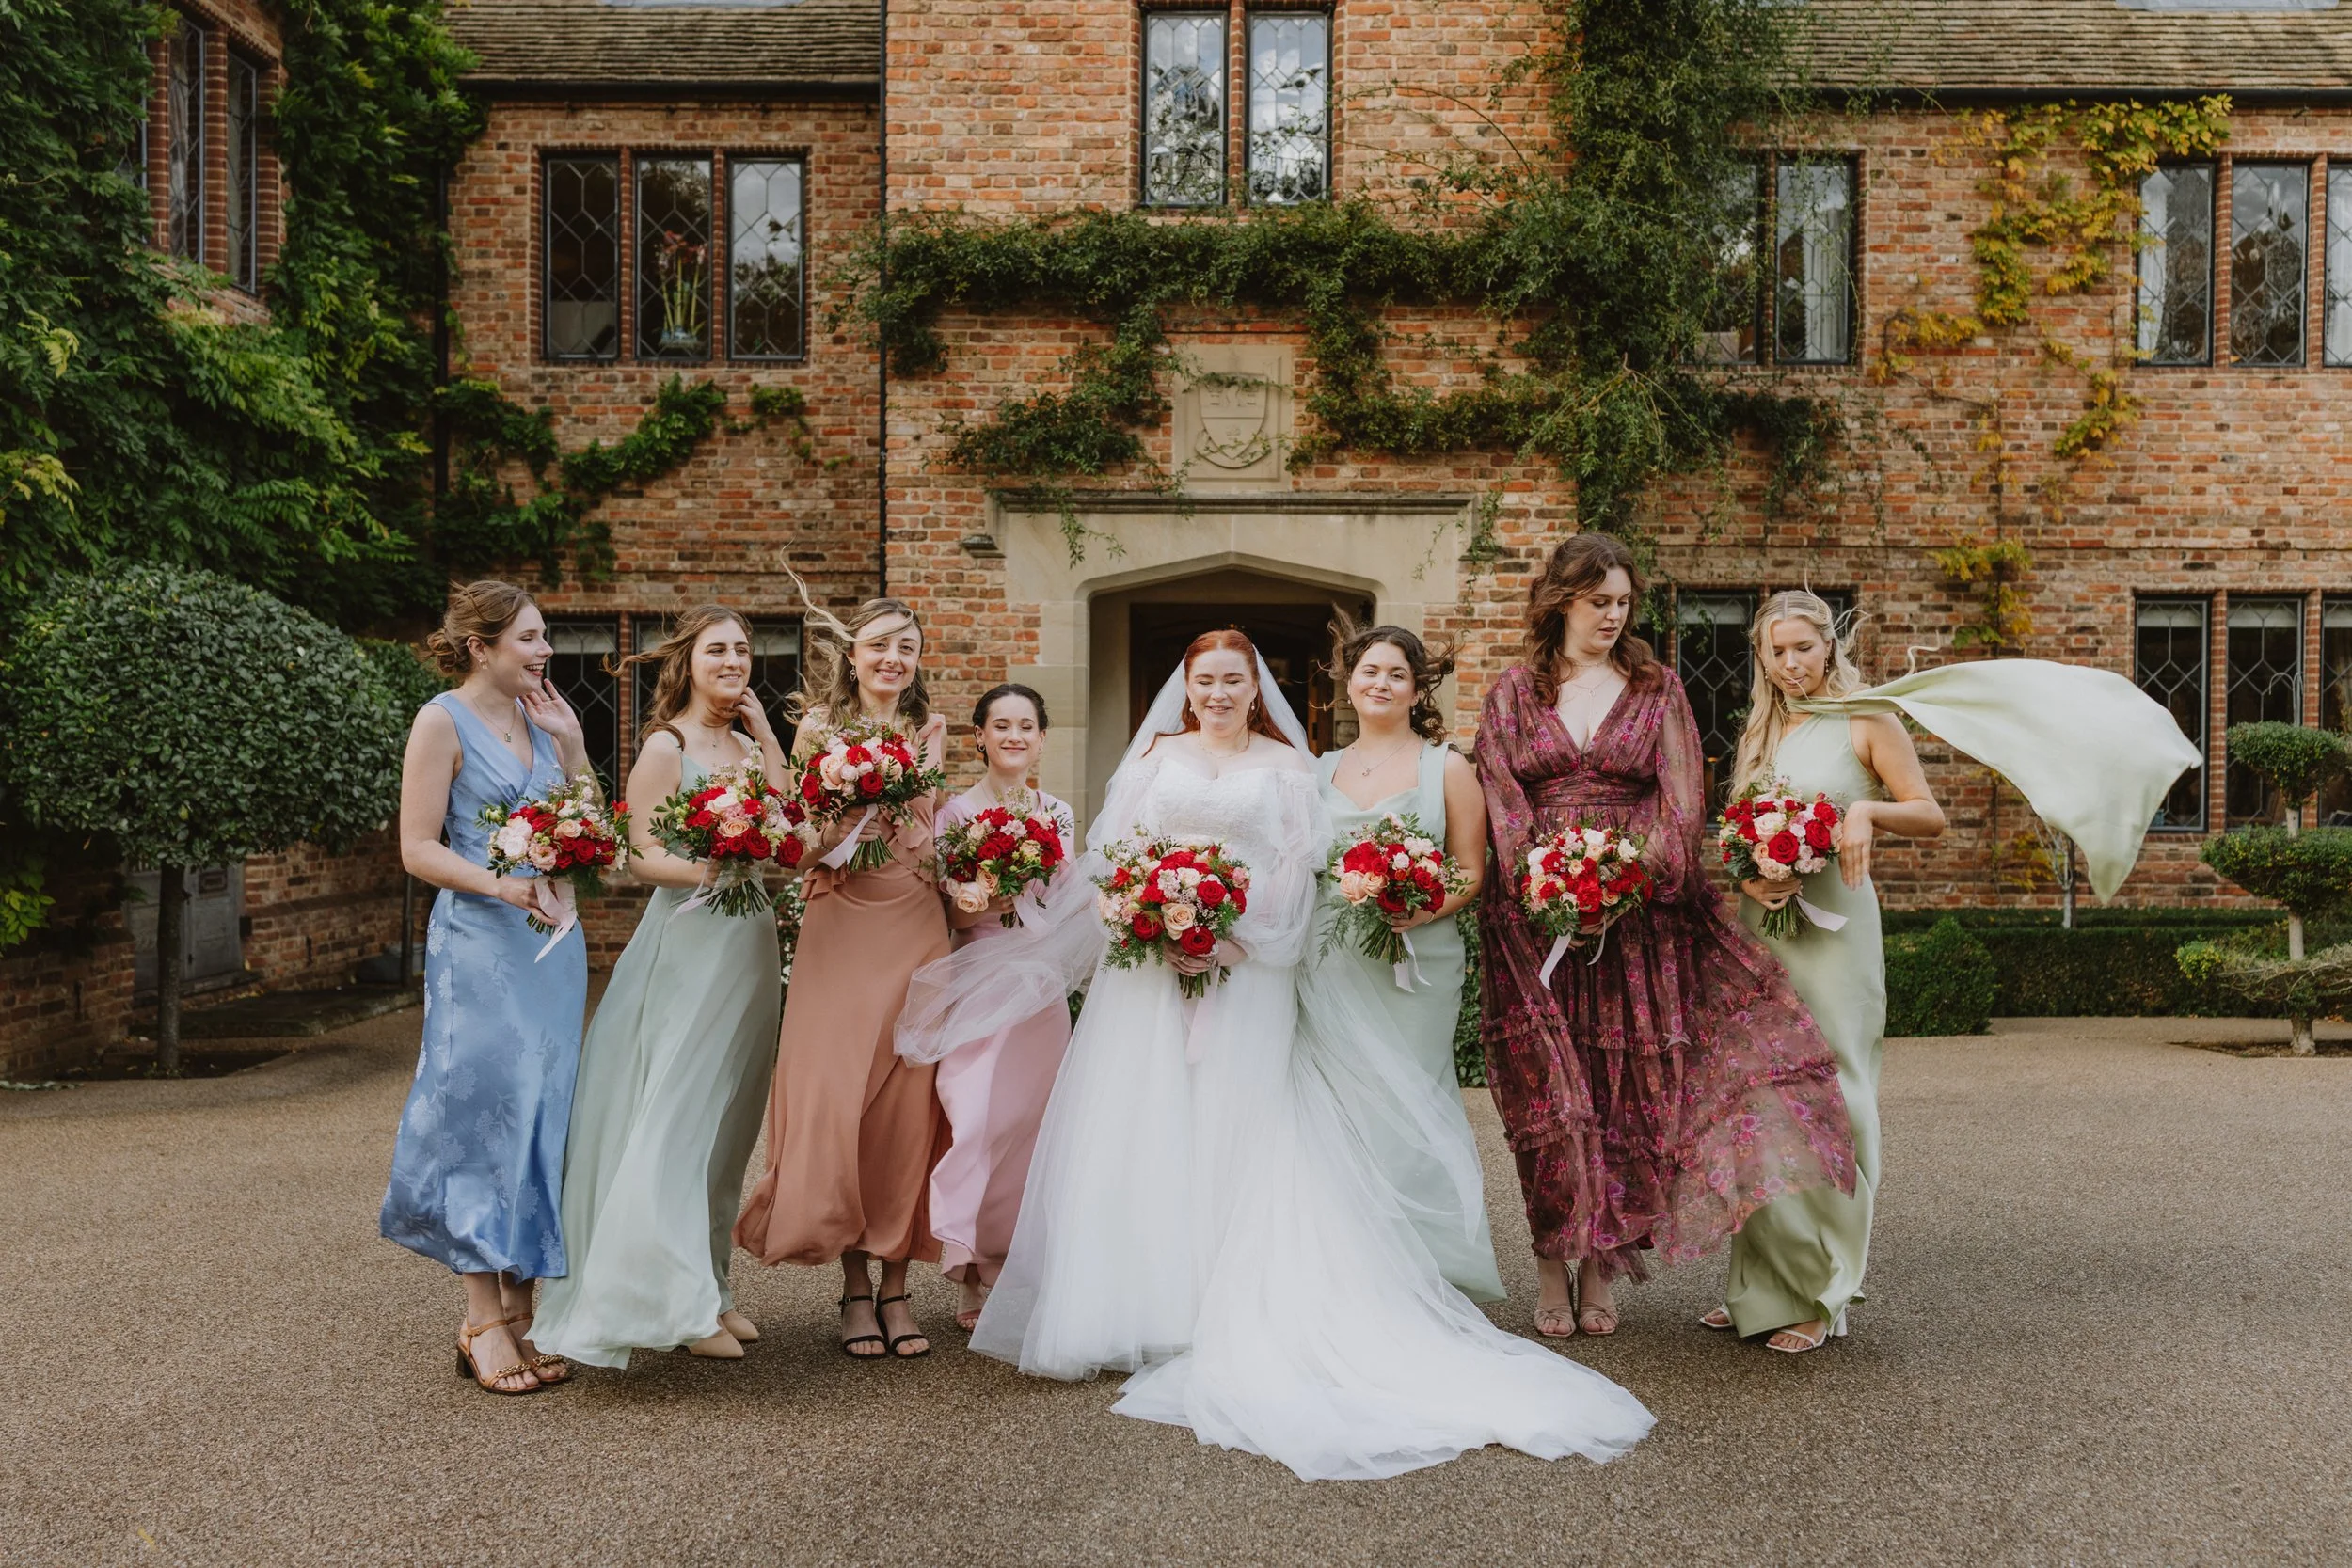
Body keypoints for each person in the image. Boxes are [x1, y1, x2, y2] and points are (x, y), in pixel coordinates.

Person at [899, 628, 1654, 1481]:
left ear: (1256, 688)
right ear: (1186, 686)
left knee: (1237, 1123)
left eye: (1235, 679)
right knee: (1145, 1124)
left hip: (1247, 971)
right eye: (1205, 679)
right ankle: (1136, 1303)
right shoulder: (1153, 754)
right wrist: (1157, 922)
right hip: (1149, 978)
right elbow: (1110, 860)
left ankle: (1220, 1300)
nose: (1219, 692)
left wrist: (1228, 936)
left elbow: (1300, 875)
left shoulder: (1291, 768)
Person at [1710, 592, 2201, 1354]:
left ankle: (1825, 1288)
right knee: (1756, 1097)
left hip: (1837, 936)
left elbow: (1930, 813)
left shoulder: (1869, 719)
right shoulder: (1762, 731)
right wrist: (1750, 878)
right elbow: (1735, 838)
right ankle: (1760, 1283)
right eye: (1775, 652)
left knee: (1833, 1091)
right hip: (1765, 934)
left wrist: (1865, 816)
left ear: (1828, 646)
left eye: (1803, 647)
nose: (1789, 663)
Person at [1472, 535, 1856, 1340]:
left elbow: (1682, 800)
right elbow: (1500, 794)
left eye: (1622, 602)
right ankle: (1551, 1259)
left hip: (1633, 921)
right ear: (1560, 600)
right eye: (1597, 601)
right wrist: (1545, 885)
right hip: (1532, 924)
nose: (1613, 616)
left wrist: (1620, 884)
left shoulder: (1656, 686)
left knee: (1615, 1099)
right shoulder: (1514, 690)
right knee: (1548, 1098)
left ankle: (1600, 1264)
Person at [532, 607, 788, 1368]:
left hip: (749, 938)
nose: (733, 659)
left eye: (743, 649)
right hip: (690, 940)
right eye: (718, 649)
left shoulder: (745, 742)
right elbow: (636, 856)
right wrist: (706, 867)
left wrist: (768, 734)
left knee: (727, 1125)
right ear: (689, 661)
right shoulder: (666, 746)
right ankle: (666, 1300)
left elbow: (785, 813)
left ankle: (710, 1285)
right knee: (679, 1111)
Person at [383, 580, 595, 1396]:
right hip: (479, 944)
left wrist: (572, 748)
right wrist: (497, 885)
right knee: (478, 1111)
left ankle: (523, 1304)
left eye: (545, 638)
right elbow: (415, 846)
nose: (546, 653)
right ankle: (479, 1317)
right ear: (482, 646)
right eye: (533, 639)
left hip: (553, 951)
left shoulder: (546, 719)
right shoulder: (442, 720)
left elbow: (588, 825)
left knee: (545, 1114)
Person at [734, 596, 951, 1360]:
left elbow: (932, 844)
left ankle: (896, 1287)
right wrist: (857, 797)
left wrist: (915, 811)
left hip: (916, 926)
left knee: (905, 1104)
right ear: (852, 654)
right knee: (840, 1102)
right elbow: (799, 842)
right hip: (840, 925)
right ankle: (853, 1288)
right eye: (881, 644)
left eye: (908, 645)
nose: (894, 657)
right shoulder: (817, 732)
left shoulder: (929, 734)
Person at [1310, 622, 1503, 1301]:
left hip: (1417, 961)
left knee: (1413, 1102)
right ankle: (1346, 1263)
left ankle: (1426, 1267)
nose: (1381, 683)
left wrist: (1419, 909)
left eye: (1396, 673)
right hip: (1331, 964)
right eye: (1369, 671)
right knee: (1336, 1108)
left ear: (1417, 685)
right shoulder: (1317, 769)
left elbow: (1470, 870)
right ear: (1349, 680)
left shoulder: (1446, 766)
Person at [901, 684, 1076, 1331]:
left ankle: (1001, 1269)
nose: (1013, 735)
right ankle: (965, 1260)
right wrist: (981, 899)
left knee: (1028, 1130)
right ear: (979, 735)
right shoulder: (954, 813)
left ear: (1041, 737)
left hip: (1037, 981)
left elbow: (1065, 900)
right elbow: (947, 909)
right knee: (973, 1115)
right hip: (978, 972)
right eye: (1000, 724)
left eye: (1026, 725)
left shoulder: (1057, 813)